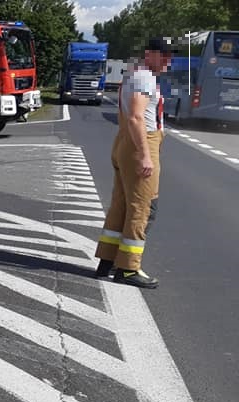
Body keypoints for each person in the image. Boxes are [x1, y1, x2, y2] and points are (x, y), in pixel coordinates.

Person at [94, 37, 173, 288]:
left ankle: (107, 261)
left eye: (170, 56)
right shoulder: (144, 78)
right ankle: (128, 269)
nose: (168, 61)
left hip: (126, 144)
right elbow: (137, 117)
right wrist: (145, 154)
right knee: (144, 208)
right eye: (164, 56)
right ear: (150, 54)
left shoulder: (135, 75)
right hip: (140, 143)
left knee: (122, 206)